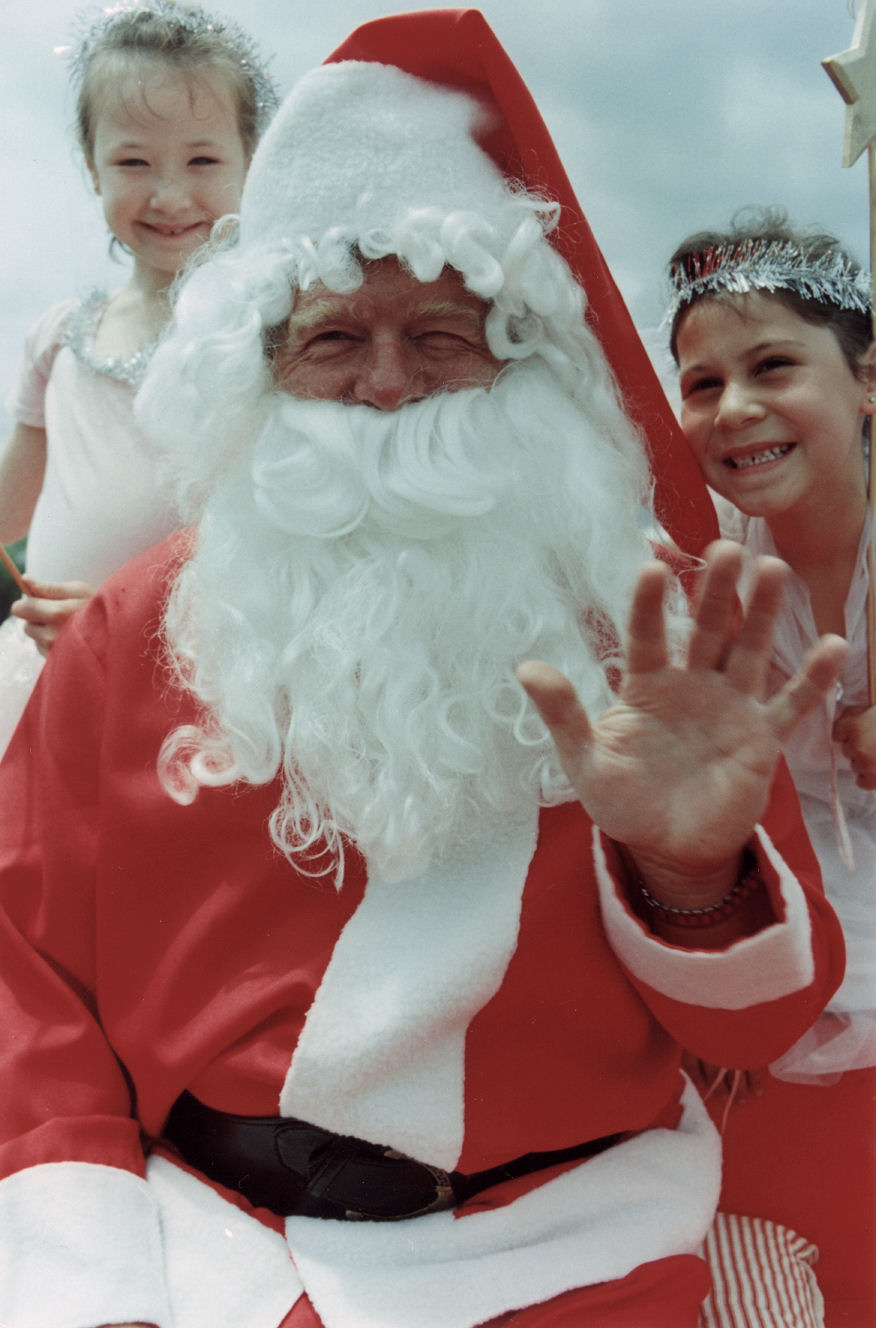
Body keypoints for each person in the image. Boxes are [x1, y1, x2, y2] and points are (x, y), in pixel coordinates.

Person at [0, 14, 848, 1328]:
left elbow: (761, 1030)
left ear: (530, 363)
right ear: (259, 370)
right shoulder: (137, 629)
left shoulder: (660, 627)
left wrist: (693, 878)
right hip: (210, 1248)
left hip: (579, 1245)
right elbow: (20, 968)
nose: (389, 387)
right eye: (335, 340)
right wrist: (77, 1259)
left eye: (443, 337)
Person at [666, 209, 876, 1320]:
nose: (736, 407)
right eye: (702, 384)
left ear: (866, 380)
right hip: (787, 957)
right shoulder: (701, 559)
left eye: (773, 366)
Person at [0, 0, 277, 753]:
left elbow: (274, 538)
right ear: (91, 166)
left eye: (202, 159)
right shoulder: (57, 339)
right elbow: (9, 512)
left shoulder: (269, 338)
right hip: (46, 680)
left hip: (188, 688)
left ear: (254, 159)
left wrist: (123, 618)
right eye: (132, 162)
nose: (169, 195)